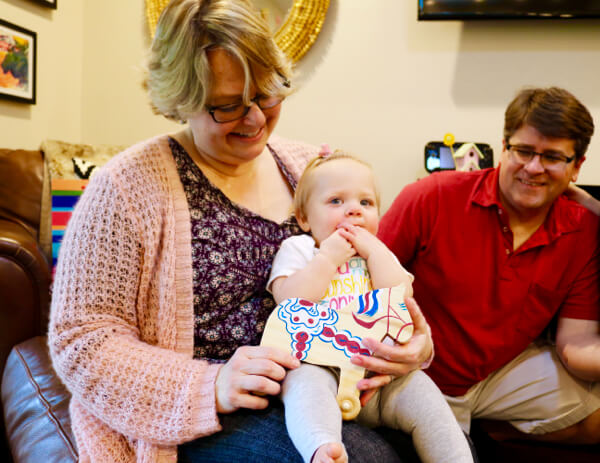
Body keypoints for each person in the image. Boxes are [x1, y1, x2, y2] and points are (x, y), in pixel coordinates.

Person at [47, 1, 434, 462]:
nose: (254, 121)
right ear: (181, 98)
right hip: (202, 416)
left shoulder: (309, 168)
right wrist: (210, 385)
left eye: (267, 94)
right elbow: (82, 340)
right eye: (228, 106)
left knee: (438, 439)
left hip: (331, 379)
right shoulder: (127, 188)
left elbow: (371, 276)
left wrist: (414, 344)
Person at [378, 86, 600, 443]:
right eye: (523, 151)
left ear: (577, 166)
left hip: (498, 376)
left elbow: (575, 345)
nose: (533, 167)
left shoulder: (585, 228)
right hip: (413, 375)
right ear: (503, 146)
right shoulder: (430, 197)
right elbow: (356, 288)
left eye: (553, 157)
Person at [266, 151, 474, 463]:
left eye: (366, 203)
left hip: (378, 378)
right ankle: (322, 448)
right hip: (322, 367)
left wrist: (375, 252)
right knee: (302, 387)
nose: (354, 211)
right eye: (336, 201)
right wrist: (328, 258)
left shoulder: (377, 254)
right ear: (304, 218)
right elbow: (290, 301)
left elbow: (400, 296)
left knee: (428, 398)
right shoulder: (300, 249)